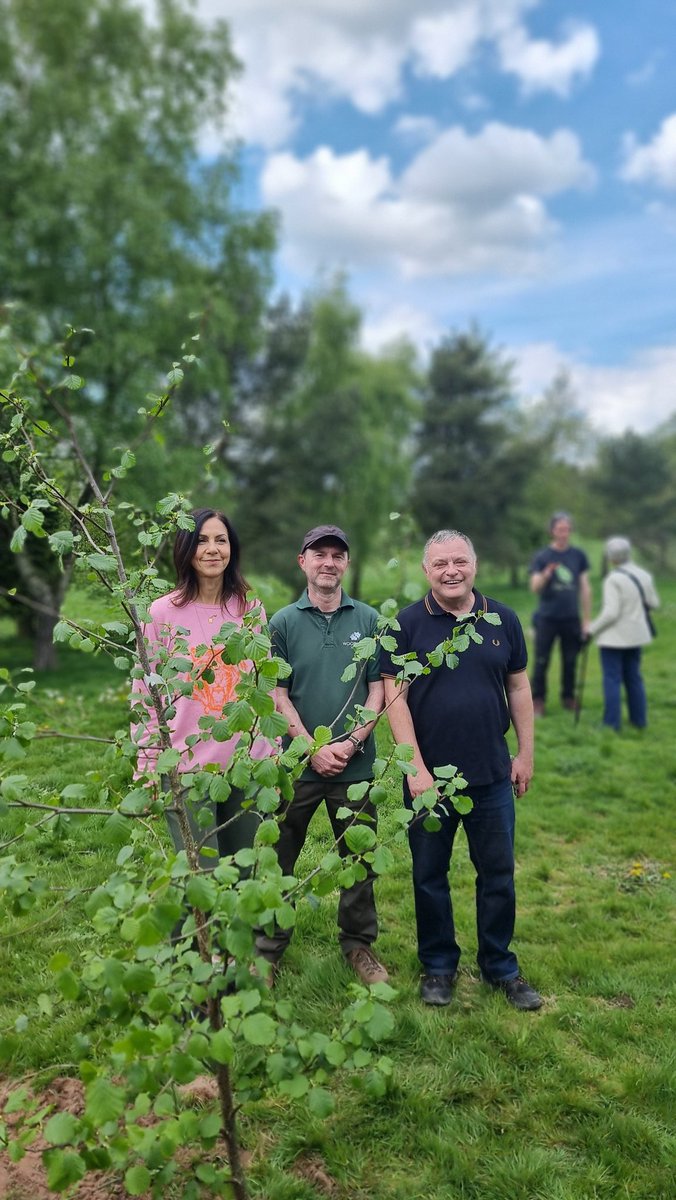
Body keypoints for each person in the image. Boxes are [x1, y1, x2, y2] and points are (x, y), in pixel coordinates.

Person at [381, 529, 542, 1011]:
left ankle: (500, 967)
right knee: (429, 874)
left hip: (492, 772)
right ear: (426, 571)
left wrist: (525, 754)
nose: (451, 571)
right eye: (439, 564)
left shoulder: (503, 619)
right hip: (428, 779)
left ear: (474, 564)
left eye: (459, 561)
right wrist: (415, 768)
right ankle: (438, 966)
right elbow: (395, 698)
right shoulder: (406, 624)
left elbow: (518, 689)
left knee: (496, 874)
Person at [255, 524, 388, 986]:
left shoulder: (369, 621)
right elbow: (277, 694)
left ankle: (358, 946)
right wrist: (311, 748)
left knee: (359, 858)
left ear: (346, 563)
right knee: (280, 856)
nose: (328, 562)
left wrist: (350, 743)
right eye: (319, 554)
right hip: (298, 765)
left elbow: (378, 692)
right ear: (303, 562)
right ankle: (268, 950)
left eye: (337, 555)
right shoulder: (282, 623)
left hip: (357, 765)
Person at [132, 507, 269, 868]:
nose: (212, 549)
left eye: (220, 540)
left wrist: (270, 747)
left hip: (245, 762)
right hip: (187, 765)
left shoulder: (250, 608)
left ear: (231, 549)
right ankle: (197, 928)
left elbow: (263, 682)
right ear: (186, 549)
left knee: (244, 872)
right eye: (202, 540)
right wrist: (149, 765)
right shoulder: (161, 613)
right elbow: (146, 695)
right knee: (201, 873)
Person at [589, 536, 660, 731]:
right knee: (634, 677)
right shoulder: (643, 575)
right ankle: (639, 720)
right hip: (636, 635)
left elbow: (611, 613)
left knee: (612, 679)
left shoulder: (613, 579)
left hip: (614, 639)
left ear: (611, 557)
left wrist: (590, 630)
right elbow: (654, 603)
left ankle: (611, 724)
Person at [529, 512, 591, 717]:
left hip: (571, 618)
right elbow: (535, 588)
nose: (563, 533)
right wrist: (547, 573)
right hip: (547, 618)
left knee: (570, 660)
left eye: (566, 529)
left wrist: (587, 620)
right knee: (541, 660)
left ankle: (568, 697)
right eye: (559, 529)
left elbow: (584, 587)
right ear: (552, 531)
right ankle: (538, 700)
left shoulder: (578, 556)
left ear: (570, 531)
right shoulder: (542, 556)